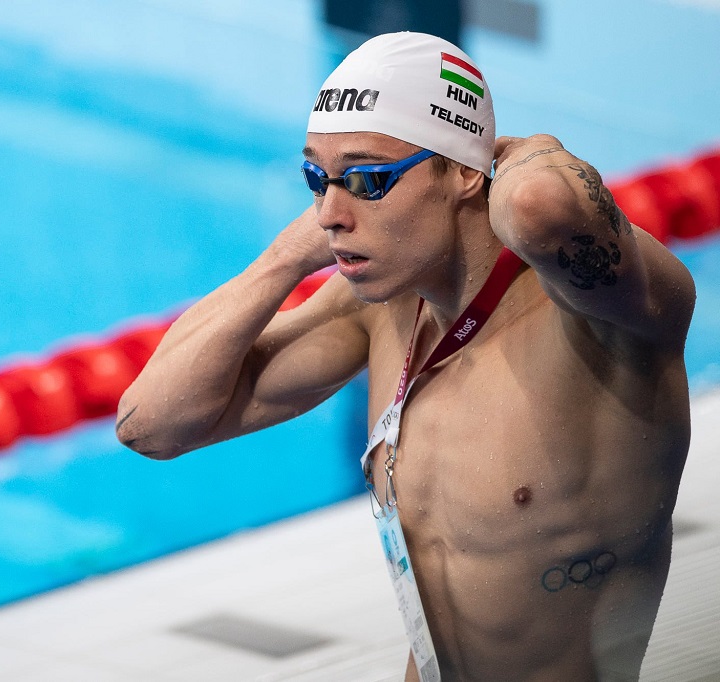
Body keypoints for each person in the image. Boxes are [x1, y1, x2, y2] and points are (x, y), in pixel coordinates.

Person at [116, 32, 694, 681]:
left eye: (367, 179)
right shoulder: (381, 308)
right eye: (317, 179)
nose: (330, 214)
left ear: (465, 172)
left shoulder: (605, 320)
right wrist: (284, 258)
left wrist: (524, 149)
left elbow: (540, 206)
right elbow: (150, 425)